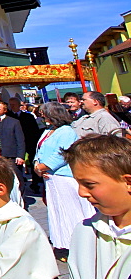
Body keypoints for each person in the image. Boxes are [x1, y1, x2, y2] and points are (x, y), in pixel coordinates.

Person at [61, 135, 131, 279]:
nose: (81, 193)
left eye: (89, 185)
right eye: (78, 184)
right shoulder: (84, 233)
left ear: (128, 182)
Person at [33, 101, 96, 259]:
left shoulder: (66, 131)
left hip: (63, 176)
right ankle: (64, 243)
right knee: (58, 212)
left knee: (71, 210)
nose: (42, 117)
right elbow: (39, 149)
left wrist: (44, 166)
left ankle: (79, 244)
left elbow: (62, 153)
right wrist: (36, 165)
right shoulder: (48, 131)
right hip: (51, 178)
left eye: (45, 114)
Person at [0, 101, 26, 196]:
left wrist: (20, 156)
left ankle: (21, 199)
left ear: (5, 110)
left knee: (17, 178)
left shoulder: (14, 122)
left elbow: (20, 140)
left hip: (11, 155)